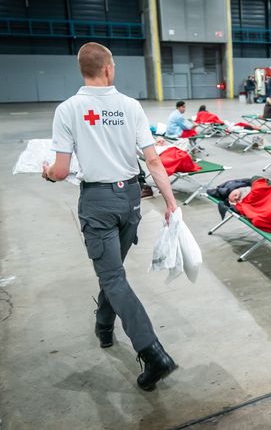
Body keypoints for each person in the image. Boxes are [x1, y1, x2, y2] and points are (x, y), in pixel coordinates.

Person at [42, 42, 178, 391]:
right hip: (130, 200)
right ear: (109, 69)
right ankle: (104, 327)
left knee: (113, 276)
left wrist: (46, 170)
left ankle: (152, 352)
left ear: (83, 70)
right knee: (113, 272)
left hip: (98, 202)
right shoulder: (130, 107)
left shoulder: (68, 110)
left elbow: (60, 171)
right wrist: (170, 202)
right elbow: (152, 160)